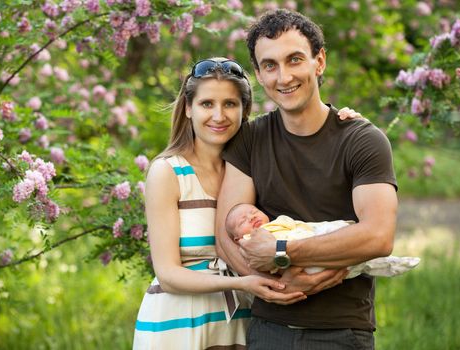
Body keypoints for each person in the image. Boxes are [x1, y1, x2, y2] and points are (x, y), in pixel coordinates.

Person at [132, 57, 363, 349]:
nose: (219, 115)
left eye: (230, 104)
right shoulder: (168, 172)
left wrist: (342, 125)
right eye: (207, 104)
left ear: (244, 110)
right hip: (180, 324)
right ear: (188, 108)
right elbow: (168, 275)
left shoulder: (253, 166)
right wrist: (240, 283)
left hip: (240, 323)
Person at [215, 9, 398, 350]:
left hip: (341, 332)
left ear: (320, 61)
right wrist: (278, 284)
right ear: (258, 73)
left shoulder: (363, 140)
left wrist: (284, 251)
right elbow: (225, 234)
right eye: (270, 65)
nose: (283, 77)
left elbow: (378, 236)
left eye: (295, 59)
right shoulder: (249, 140)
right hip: (268, 329)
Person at [225, 203, 419, 278]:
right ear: (237, 238)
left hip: (311, 238)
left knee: (337, 234)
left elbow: (305, 227)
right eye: (243, 220)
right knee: (348, 266)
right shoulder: (248, 241)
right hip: (300, 267)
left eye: (253, 212)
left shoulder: (278, 222)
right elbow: (260, 259)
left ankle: (377, 260)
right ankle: (381, 264)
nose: (251, 217)